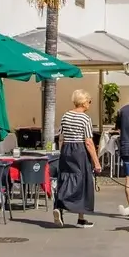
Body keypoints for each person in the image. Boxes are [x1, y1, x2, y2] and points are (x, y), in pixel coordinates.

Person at [53, 89, 97, 226]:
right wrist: (96, 161)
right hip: (79, 150)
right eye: (89, 101)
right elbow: (88, 141)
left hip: (67, 149)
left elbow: (62, 137)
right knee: (81, 181)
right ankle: (78, 215)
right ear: (84, 102)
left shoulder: (66, 115)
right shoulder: (85, 118)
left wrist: (63, 151)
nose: (90, 104)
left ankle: (61, 208)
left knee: (66, 177)